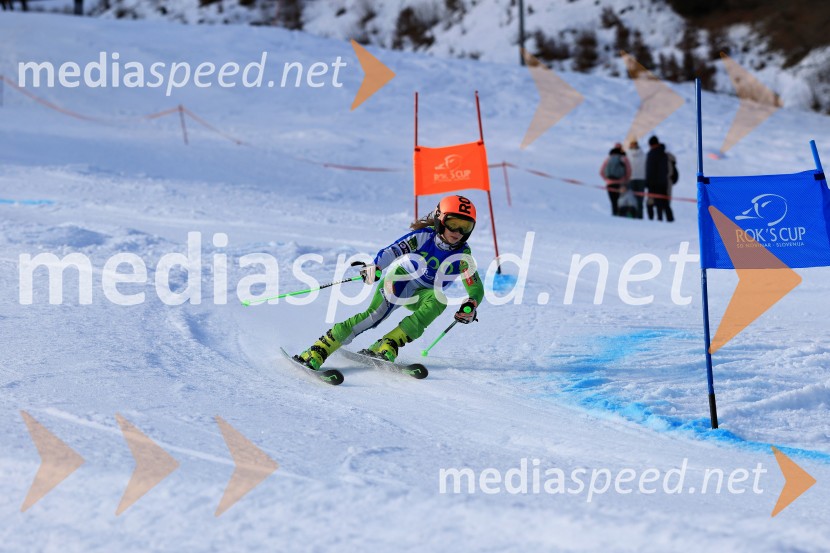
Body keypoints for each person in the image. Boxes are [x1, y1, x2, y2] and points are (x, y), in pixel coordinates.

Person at [296, 194, 485, 369]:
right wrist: (376, 266)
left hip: (422, 293)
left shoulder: (463, 255)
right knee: (375, 316)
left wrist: (472, 303)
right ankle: (320, 348)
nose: (458, 231)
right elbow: (393, 250)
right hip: (400, 280)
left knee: (438, 300)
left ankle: (389, 342)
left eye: (465, 226)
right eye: (453, 223)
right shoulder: (424, 237)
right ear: (439, 219)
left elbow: (475, 286)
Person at [645, 135, 674, 222]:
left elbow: (649, 170)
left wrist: (648, 183)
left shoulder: (652, 154)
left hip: (654, 184)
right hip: (664, 183)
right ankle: (668, 220)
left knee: (651, 203)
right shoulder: (664, 154)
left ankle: (654, 221)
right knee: (664, 203)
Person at [599, 143, 632, 216]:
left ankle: (614, 217)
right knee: (621, 204)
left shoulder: (608, 159)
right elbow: (629, 171)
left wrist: (607, 180)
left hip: (610, 185)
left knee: (613, 203)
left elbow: (601, 172)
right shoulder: (624, 158)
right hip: (621, 184)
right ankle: (621, 218)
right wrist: (626, 181)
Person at [626, 139, 647, 219]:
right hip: (641, 179)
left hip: (631, 179)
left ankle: (632, 218)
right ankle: (639, 217)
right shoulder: (643, 154)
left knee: (631, 200)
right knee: (639, 201)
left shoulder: (627, 155)